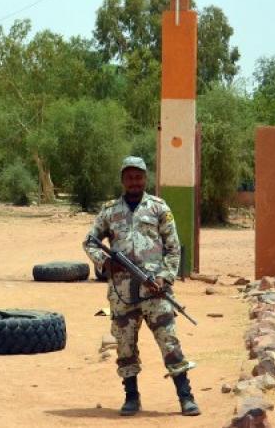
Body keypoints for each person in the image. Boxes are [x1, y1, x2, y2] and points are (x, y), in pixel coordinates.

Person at [83, 156, 200, 417]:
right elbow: (90, 242)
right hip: (122, 293)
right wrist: (106, 263)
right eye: (129, 177)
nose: (134, 181)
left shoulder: (159, 208)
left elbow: (173, 247)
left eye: (139, 177)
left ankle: (186, 397)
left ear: (145, 179)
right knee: (125, 345)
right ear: (123, 180)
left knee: (169, 342)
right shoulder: (109, 211)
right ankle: (131, 397)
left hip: (155, 290)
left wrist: (165, 277)